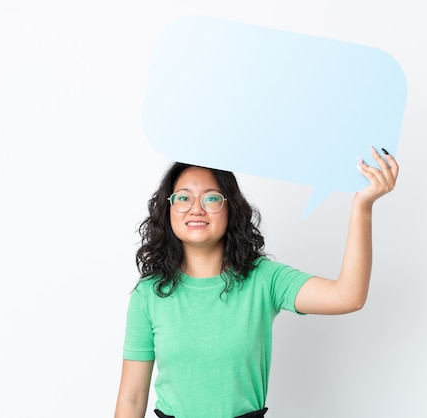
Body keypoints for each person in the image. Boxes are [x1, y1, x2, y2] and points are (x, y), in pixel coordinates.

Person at [115, 147, 399, 418]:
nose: (196, 209)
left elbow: (348, 296)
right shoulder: (149, 294)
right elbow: (132, 397)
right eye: (183, 198)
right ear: (168, 209)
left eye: (211, 198)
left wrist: (363, 206)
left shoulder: (264, 279)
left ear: (230, 208)